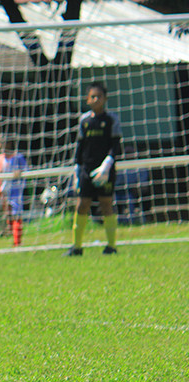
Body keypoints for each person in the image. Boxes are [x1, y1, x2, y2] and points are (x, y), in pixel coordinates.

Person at [67, 82, 122, 256]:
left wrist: (107, 164)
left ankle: (111, 246)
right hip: (87, 169)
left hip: (105, 169)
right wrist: (77, 167)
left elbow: (116, 145)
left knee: (106, 204)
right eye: (93, 96)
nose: (96, 99)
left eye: (99, 96)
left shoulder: (111, 119)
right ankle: (77, 247)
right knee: (82, 204)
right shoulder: (84, 120)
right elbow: (80, 146)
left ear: (105, 99)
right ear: (87, 99)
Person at [0, 134, 28, 247]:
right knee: (6, 216)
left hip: (15, 192)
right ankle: (8, 233)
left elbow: (26, 171)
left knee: (16, 216)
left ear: (8, 143)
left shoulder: (18, 157)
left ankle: (17, 242)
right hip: (3, 192)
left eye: (1, 142)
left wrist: (20, 173)